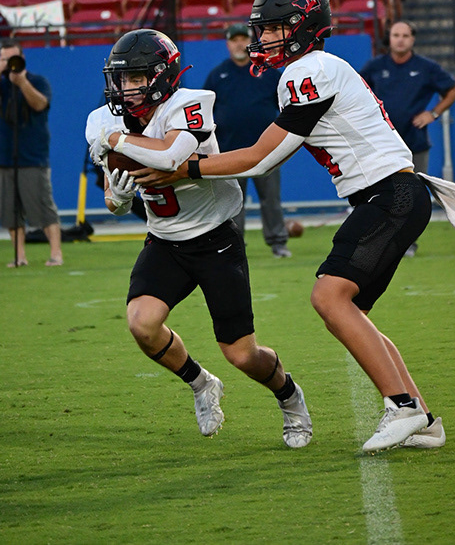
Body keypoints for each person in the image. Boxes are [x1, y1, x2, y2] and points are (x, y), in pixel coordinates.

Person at [130, 0, 455, 452]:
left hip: (390, 195)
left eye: (273, 28)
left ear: (302, 28)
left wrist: (186, 168)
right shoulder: (316, 69)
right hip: (392, 195)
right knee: (351, 310)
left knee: (329, 297)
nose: (262, 38)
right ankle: (422, 419)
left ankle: (402, 406)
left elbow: (261, 158)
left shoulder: (309, 70)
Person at [86, 28, 312, 448]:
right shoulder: (101, 119)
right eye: (121, 78)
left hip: (215, 239)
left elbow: (170, 155)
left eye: (137, 77)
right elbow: (113, 203)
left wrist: (117, 140)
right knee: (142, 324)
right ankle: (201, 383)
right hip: (164, 239)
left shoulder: (190, 102)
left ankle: (288, 395)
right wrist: (119, 196)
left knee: (241, 353)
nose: (126, 88)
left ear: (162, 76)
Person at [360, 19, 455, 255]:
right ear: (389, 39)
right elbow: (356, 90)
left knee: (411, 196)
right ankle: (378, 241)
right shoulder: (376, 66)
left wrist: (433, 113)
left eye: (405, 36)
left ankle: (407, 243)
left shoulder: (426, 67)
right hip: (381, 143)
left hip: (414, 141)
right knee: (381, 194)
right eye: (396, 35)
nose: (400, 40)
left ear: (412, 39)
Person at [203, 23, 291, 258]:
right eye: (235, 40)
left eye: (243, 39)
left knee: (271, 199)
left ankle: (278, 242)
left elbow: (287, 105)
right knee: (232, 202)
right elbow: (205, 113)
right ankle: (234, 244)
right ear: (228, 44)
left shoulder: (268, 72)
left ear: (252, 42)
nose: (239, 44)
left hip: (267, 150)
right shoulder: (218, 75)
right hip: (230, 151)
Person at [0, 40, 63, 269]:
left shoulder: (37, 81)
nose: (8, 63)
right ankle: (19, 256)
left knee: (43, 207)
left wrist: (21, 82)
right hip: (4, 158)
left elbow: (39, 104)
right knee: (10, 211)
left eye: (12, 58)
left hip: (32, 158)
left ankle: (56, 253)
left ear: (22, 59)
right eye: (3, 59)